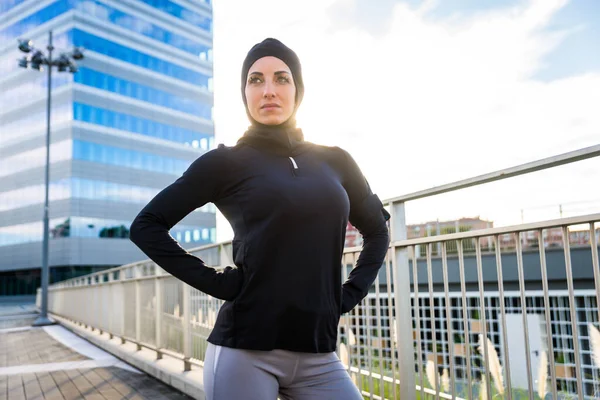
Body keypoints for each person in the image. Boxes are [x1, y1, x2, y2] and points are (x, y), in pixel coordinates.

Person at [129, 38, 390, 400]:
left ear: (298, 90)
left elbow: (377, 232)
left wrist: (346, 295)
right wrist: (221, 284)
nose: (269, 90)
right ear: (244, 93)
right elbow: (146, 225)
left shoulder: (336, 161)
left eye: (281, 78)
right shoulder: (226, 163)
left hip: (319, 354)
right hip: (245, 352)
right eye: (256, 80)